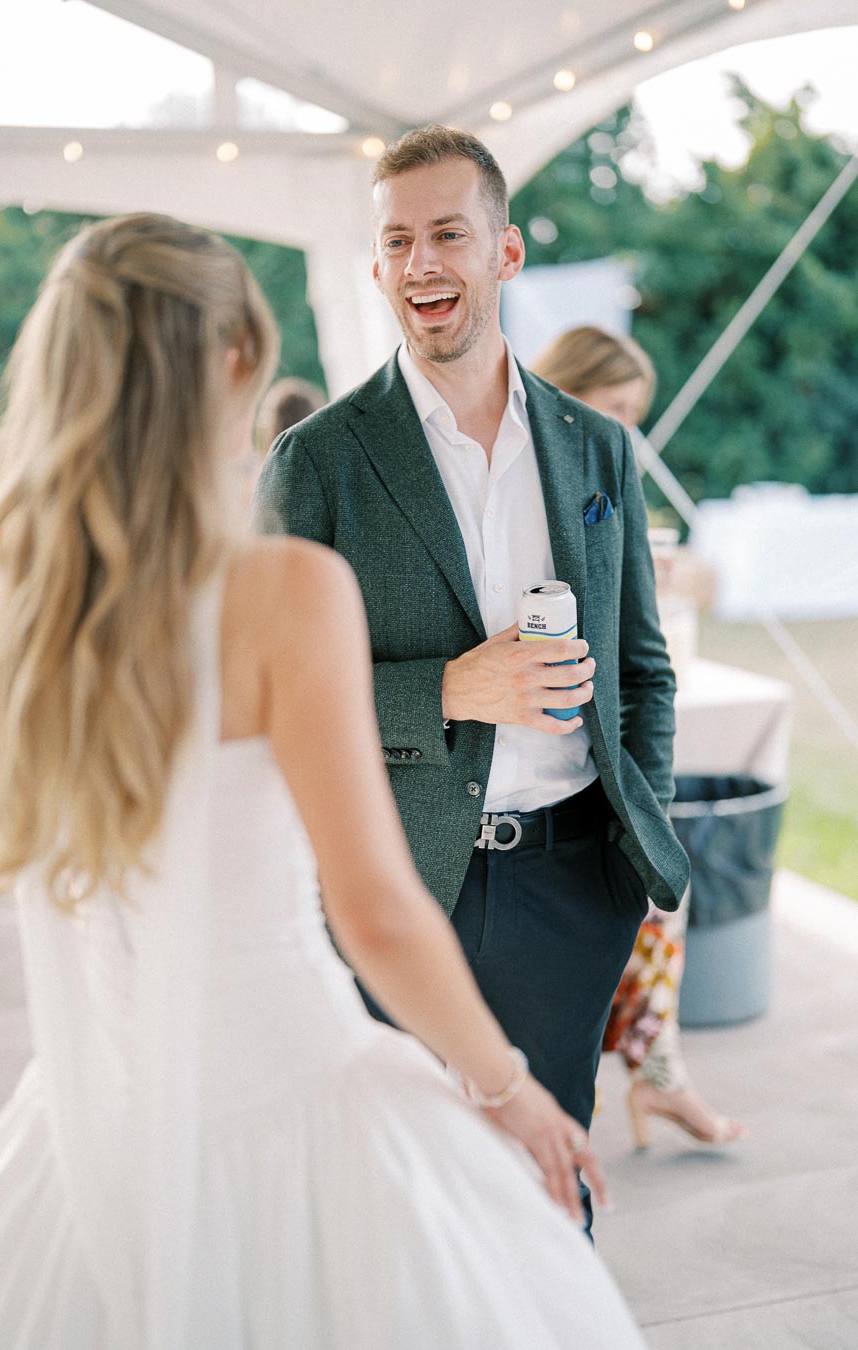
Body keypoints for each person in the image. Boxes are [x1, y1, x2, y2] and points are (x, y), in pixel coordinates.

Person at [0, 213, 647, 1348]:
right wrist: (504, 1088)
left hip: (109, 1125)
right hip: (293, 1098)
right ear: (234, 363)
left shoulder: (35, 617)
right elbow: (376, 912)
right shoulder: (282, 593)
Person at [255, 125, 691, 1232]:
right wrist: (452, 689)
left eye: (447, 233)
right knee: (392, 1209)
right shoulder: (320, 461)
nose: (419, 265)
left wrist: (629, 850)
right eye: (396, 241)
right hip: (397, 892)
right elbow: (265, 698)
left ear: (503, 253)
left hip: (572, 891)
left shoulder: (596, 447)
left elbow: (644, 663)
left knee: (549, 1201)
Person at [532, 324, 745, 1147]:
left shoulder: (606, 475)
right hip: (545, 763)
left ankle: (656, 1077)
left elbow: (686, 604)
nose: (628, 429)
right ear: (571, 387)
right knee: (640, 912)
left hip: (606, 752)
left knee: (662, 896)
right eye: (616, 406)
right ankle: (644, 1084)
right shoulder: (521, 478)